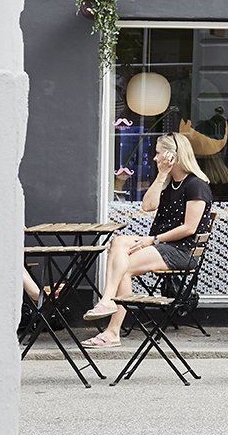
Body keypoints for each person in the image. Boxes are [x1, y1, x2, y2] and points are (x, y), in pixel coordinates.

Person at [83, 132, 214, 347]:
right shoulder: (171, 183)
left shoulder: (196, 185)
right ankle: (107, 302)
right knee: (118, 242)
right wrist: (162, 175)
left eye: (158, 153)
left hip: (182, 251)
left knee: (123, 267)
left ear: (173, 156)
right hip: (163, 245)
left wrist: (152, 240)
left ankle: (112, 330)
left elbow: (189, 228)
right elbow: (147, 206)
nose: (155, 158)